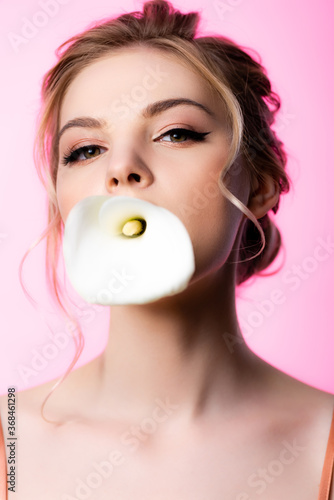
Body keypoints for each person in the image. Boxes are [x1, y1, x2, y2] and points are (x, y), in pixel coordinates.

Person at [0, 1, 333, 498]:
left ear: (260, 185)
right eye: (85, 150)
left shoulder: (323, 442)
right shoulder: (9, 440)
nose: (122, 168)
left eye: (176, 133)